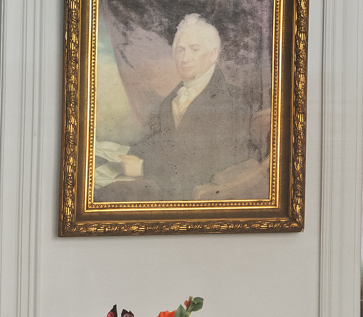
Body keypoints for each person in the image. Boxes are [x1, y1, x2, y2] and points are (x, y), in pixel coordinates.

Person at [99, 13, 266, 203]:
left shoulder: (233, 102)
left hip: (198, 198)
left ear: (213, 54)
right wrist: (129, 154)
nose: (185, 58)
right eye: (180, 50)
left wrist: (144, 168)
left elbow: (215, 167)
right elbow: (164, 140)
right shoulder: (173, 98)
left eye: (195, 49)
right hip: (169, 186)